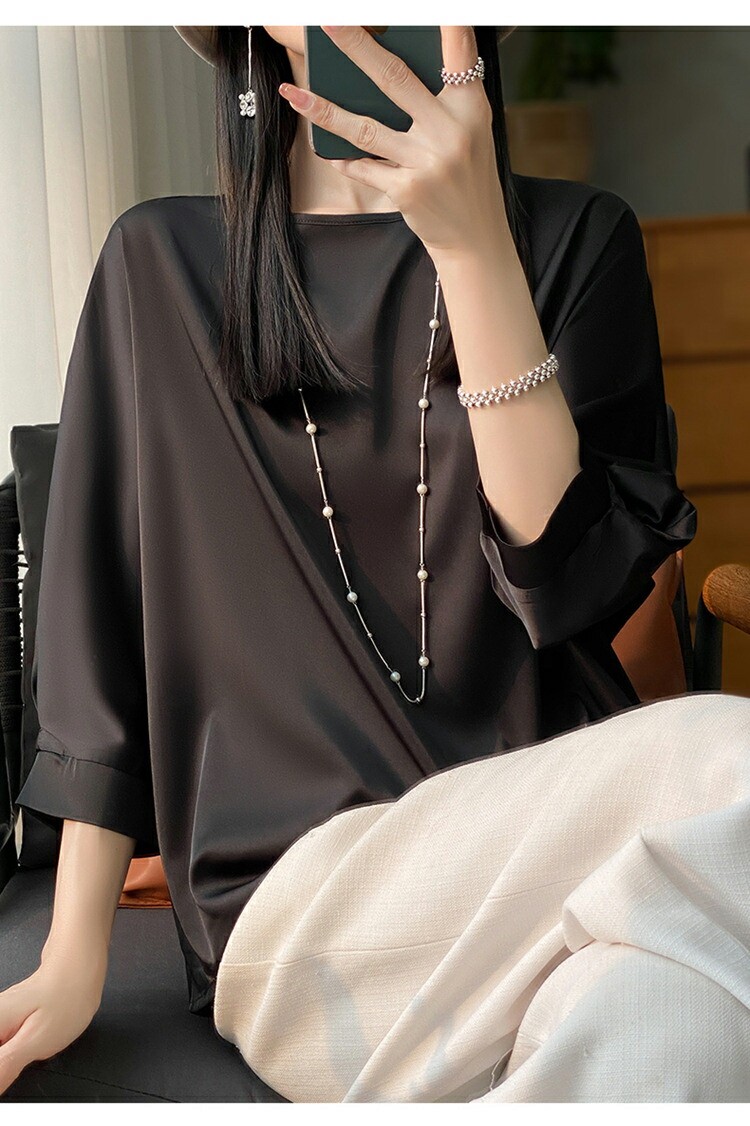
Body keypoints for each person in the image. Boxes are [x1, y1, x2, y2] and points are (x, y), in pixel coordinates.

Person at [2, 25, 744, 1102]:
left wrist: (476, 252)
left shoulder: (580, 239)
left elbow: (568, 588)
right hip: (303, 913)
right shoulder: (157, 265)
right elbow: (97, 647)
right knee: (734, 763)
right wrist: (73, 953)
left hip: (568, 871)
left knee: (675, 1024)